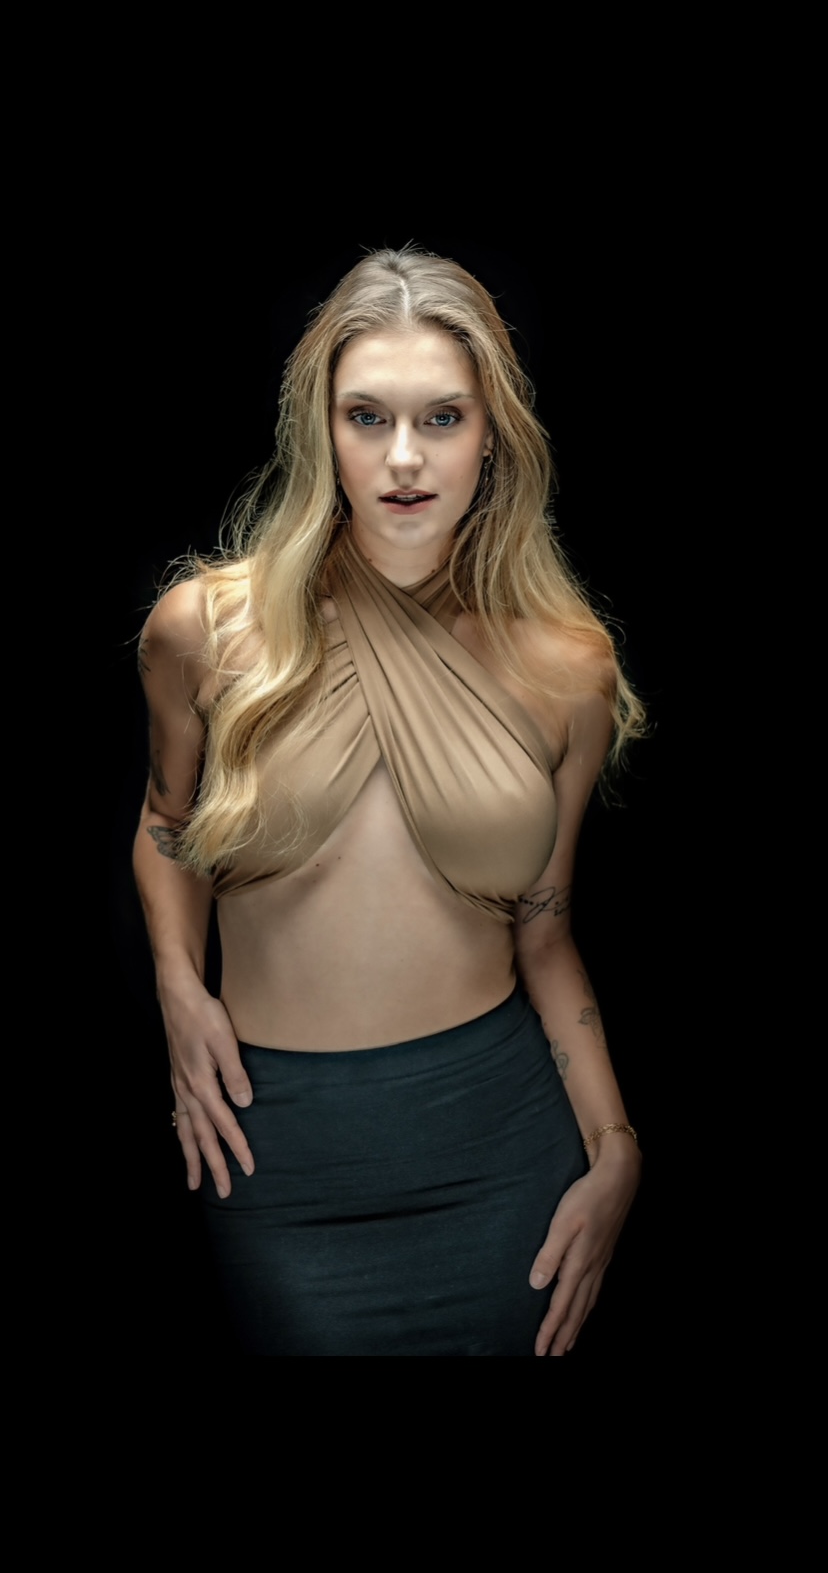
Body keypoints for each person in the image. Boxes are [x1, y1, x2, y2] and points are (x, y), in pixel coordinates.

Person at [134, 246, 645, 1357]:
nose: (404, 458)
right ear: (321, 431)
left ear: (492, 433)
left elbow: (546, 934)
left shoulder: (568, 670)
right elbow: (167, 825)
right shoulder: (206, 633)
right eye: (367, 417)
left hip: (502, 1137)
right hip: (275, 1142)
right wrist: (177, 985)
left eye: (442, 418)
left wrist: (615, 1149)